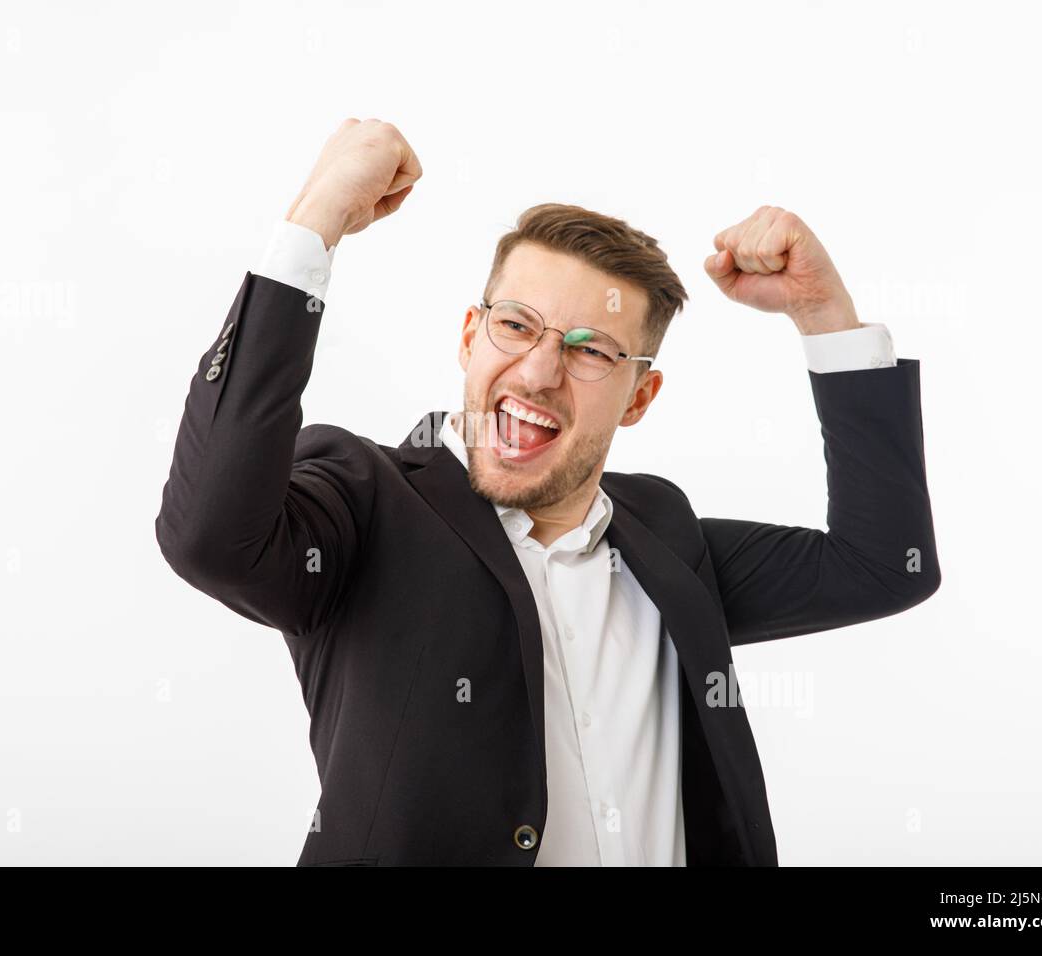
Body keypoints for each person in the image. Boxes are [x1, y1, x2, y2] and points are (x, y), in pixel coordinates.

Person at [154, 118, 940, 866]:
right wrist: (313, 223)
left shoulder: (666, 535)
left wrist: (822, 313)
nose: (537, 370)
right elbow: (209, 537)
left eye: (590, 349)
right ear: (470, 336)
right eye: (517, 325)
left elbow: (886, 564)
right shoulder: (366, 501)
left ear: (639, 398)